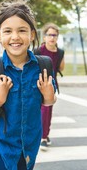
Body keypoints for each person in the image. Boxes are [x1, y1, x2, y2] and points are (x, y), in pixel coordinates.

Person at [0, 0, 56, 170]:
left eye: (22, 30)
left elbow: (48, 101)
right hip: (0, 144)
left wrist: (49, 96)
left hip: (30, 145)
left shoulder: (43, 66)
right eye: (8, 31)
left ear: (32, 34)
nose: (15, 37)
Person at [34, 22, 65, 151]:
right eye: (49, 35)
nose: (52, 37)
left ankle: (44, 137)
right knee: (38, 110)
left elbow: (61, 67)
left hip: (51, 84)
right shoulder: (38, 50)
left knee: (47, 110)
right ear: (44, 36)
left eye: (55, 35)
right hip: (37, 83)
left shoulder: (60, 52)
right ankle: (40, 135)